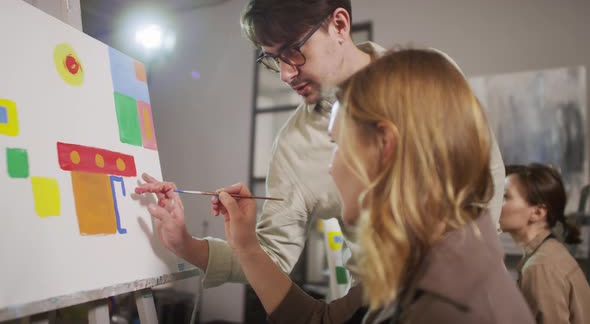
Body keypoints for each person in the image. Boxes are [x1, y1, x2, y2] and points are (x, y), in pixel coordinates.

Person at [134, 0, 504, 307]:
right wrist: (187, 244)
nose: (285, 74)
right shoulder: (294, 145)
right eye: (272, 59)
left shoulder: (431, 78)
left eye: (293, 51)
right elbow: (273, 256)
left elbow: (487, 182)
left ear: (340, 25)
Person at [214, 49, 534, 323]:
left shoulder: (444, 308)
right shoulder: (424, 261)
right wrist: (247, 247)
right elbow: (321, 320)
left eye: (338, 145)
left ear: (385, 145)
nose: (332, 167)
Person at [501, 163, 590, 324]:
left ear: (537, 212)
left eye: (505, 197)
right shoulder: (547, 252)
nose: (495, 204)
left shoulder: (540, 267)